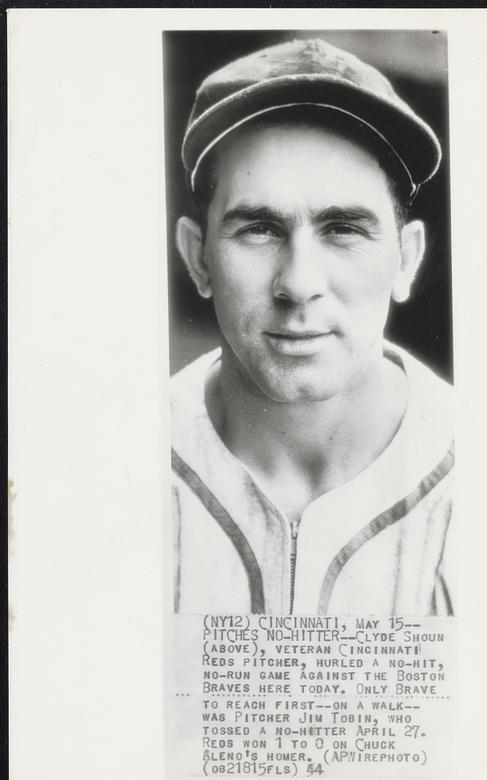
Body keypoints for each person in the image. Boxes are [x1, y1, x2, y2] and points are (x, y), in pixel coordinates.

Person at [170, 38, 454, 616]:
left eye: (343, 228)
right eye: (259, 229)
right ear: (199, 259)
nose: (298, 284)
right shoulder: (110, 467)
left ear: (407, 259)